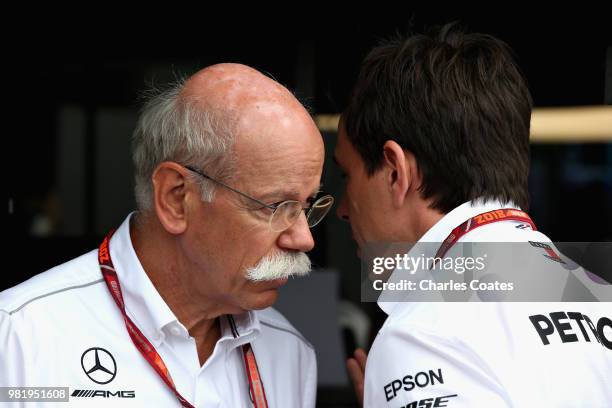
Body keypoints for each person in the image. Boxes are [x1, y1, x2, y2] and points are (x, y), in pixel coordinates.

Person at [0, 63, 334, 407]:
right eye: (276, 206)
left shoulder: (289, 353)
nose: (304, 239)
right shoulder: (22, 338)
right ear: (176, 198)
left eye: (307, 205)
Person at [335, 23, 612, 407]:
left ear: (396, 172)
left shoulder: (423, 335)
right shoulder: (599, 296)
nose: (342, 210)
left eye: (346, 177)